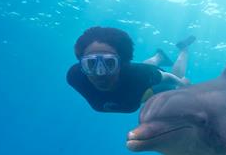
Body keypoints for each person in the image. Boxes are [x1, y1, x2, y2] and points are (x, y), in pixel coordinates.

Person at [67, 26, 195, 113]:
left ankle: (183, 49)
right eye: (90, 63)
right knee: (143, 73)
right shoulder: (75, 77)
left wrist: (181, 84)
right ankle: (159, 56)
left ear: (122, 64)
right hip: (139, 79)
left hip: (143, 79)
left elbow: (168, 76)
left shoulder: (139, 76)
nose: (100, 72)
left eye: (109, 63)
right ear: (81, 64)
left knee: (174, 82)